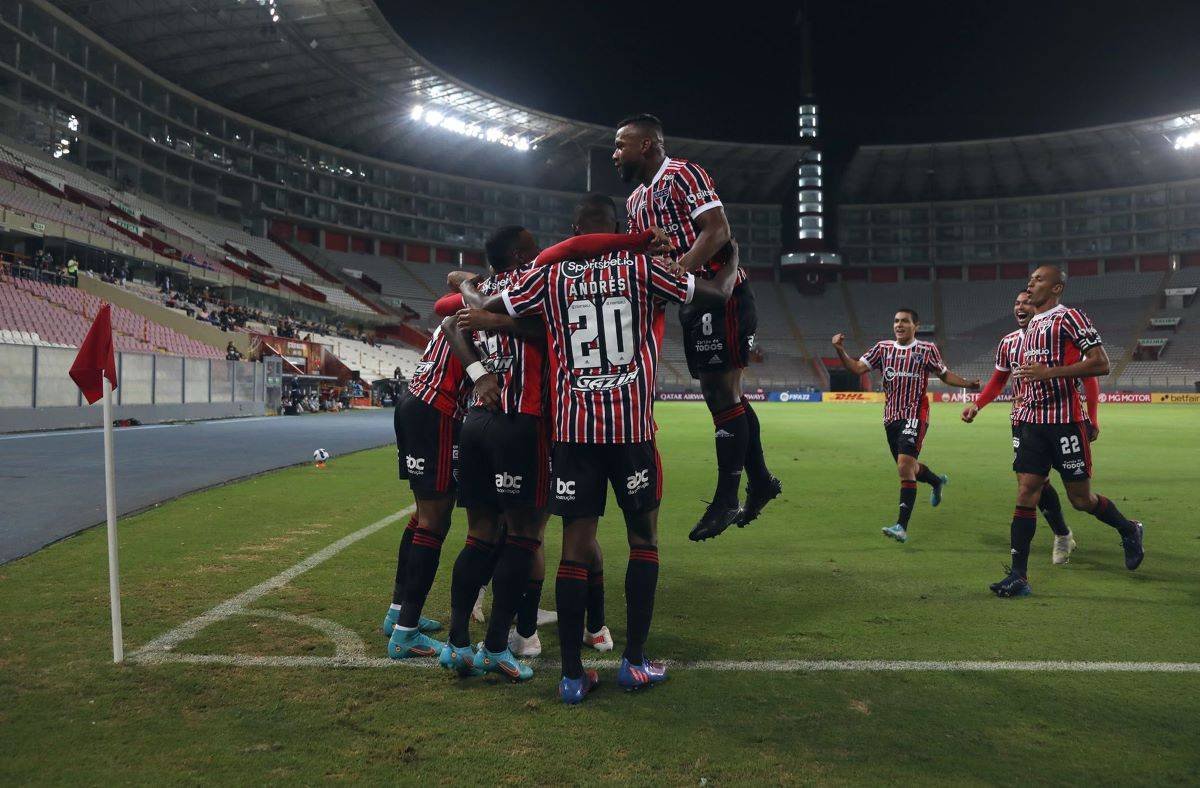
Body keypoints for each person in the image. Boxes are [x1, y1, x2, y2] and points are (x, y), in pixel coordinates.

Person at [457, 193, 740, 704]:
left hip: (573, 431)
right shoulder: (644, 267)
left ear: (573, 229)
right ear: (621, 227)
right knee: (643, 540)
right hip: (630, 431)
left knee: (574, 544)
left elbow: (482, 308)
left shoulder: (548, 275)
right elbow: (716, 293)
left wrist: (466, 288)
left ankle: (571, 675)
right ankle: (633, 663)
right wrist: (733, 256)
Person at [614, 113, 779, 541]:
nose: (616, 154)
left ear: (646, 144)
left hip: (719, 294)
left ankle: (728, 498)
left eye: (621, 145)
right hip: (692, 302)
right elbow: (644, 253)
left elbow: (719, 230)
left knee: (721, 394)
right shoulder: (635, 201)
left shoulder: (683, 174)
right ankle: (759, 481)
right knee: (725, 396)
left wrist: (680, 272)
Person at [989, 265, 1144, 598]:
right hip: (1031, 423)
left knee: (1080, 499)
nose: (1030, 284)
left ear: (1056, 288)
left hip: (1065, 424)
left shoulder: (1069, 317)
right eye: (1029, 279)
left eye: (1038, 280)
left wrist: (1050, 373)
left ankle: (1129, 528)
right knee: (1026, 491)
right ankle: (1019, 576)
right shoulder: (1029, 327)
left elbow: (1100, 363)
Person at [962, 290, 1100, 565]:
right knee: (1028, 485)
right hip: (1024, 421)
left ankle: (1121, 526)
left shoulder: (1057, 336)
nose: (1020, 306)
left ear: (1037, 304)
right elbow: (999, 380)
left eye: (1026, 301)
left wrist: (1092, 417)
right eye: (1016, 302)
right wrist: (977, 405)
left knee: (1078, 495)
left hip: (1061, 420)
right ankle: (1061, 535)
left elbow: (1090, 377)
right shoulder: (1009, 342)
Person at [831, 310, 980, 543]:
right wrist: (840, 350)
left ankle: (901, 526)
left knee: (903, 466)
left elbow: (944, 375)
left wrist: (968, 384)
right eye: (896, 321)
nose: (899, 325)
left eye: (904, 321)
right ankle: (936, 481)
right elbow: (857, 368)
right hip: (891, 417)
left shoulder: (926, 350)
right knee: (909, 468)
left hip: (916, 414)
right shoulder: (883, 348)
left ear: (916, 325)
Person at [384, 316, 481, 659]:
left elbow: (457, 277)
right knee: (434, 521)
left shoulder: (466, 304)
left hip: (413, 400)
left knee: (422, 515)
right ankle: (406, 633)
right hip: (436, 409)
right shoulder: (484, 308)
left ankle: (398, 613)